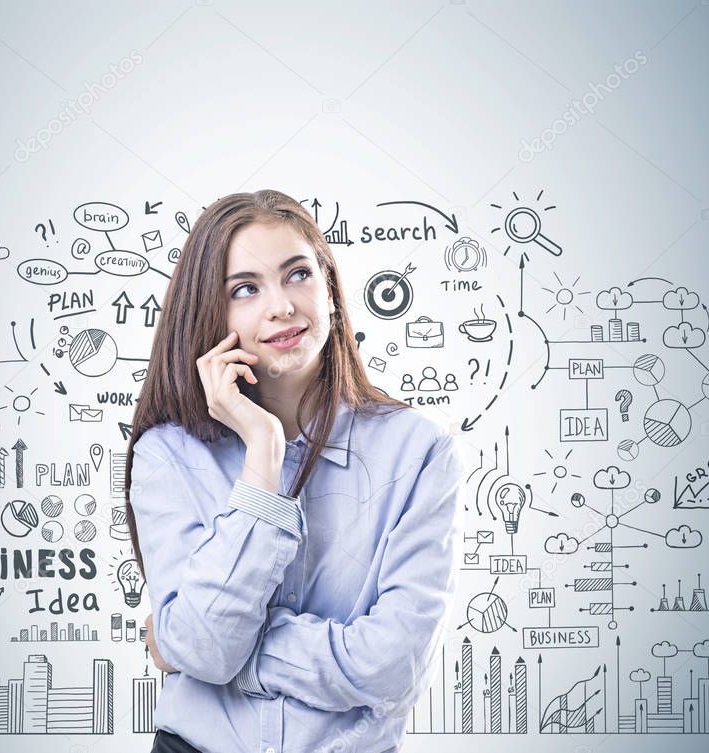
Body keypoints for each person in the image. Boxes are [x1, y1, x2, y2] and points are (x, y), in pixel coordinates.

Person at [123, 189, 464, 753]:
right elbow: (204, 649)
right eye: (245, 289)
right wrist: (262, 450)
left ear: (330, 289)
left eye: (298, 274)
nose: (281, 306)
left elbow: (392, 669)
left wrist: (218, 648)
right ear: (209, 311)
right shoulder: (167, 455)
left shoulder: (419, 451)